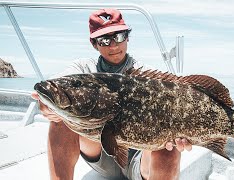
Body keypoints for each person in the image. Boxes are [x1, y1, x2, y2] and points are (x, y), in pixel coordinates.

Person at [31, 8, 192, 180]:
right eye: (105, 40)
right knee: (61, 118)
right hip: (102, 156)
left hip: (139, 161)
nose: (113, 45)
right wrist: (47, 104)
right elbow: (57, 83)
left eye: (119, 36)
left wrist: (184, 134)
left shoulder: (145, 76)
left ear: (128, 37)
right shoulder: (83, 69)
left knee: (169, 147)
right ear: (94, 44)